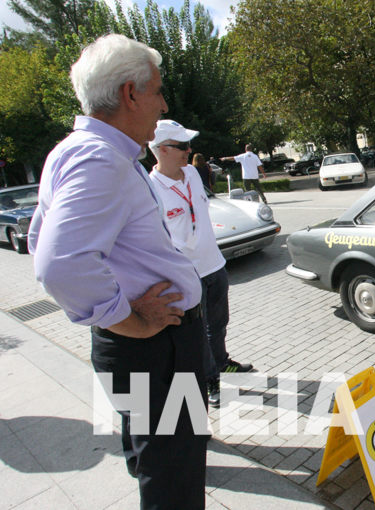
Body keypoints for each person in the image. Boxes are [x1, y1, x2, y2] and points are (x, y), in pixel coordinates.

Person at [27, 34, 208, 509]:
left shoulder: (76, 151)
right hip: (156, 346)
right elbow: (58, 265)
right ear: (130, 94)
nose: (163, 103)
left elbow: (37, 241)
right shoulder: (99, 158)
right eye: (158, 90)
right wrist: (129, 318)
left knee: (158, 461)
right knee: (175, 476)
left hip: (145, 348)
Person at [148, 119, 253, 409]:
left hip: (214, 265)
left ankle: (222, 363)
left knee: (218, 324)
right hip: (186, 274)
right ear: (162, 149)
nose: (189, 150)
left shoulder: (193, 173)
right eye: (182, 146)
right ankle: (209, 381)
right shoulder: (150, 187)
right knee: (197, 332)